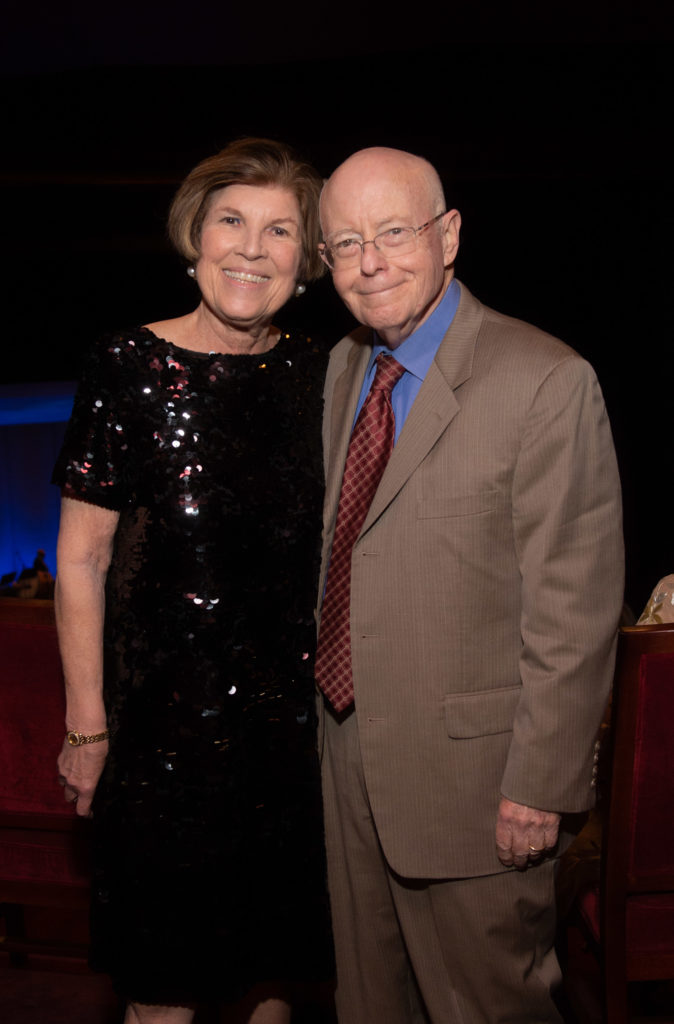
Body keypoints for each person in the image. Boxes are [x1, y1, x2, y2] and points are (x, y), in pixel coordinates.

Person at [315, 146, 624, 1023]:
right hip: (347, 768)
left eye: (392, 233)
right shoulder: (345, 370)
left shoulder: (545, 381)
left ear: (448, 235)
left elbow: (576, 610)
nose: (369, 262)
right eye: (344, 243)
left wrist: (542, 784)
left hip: (481, 790)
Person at [53, 138, 333, 1024]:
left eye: (281, 229)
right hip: (158, 739)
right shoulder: (126, 366)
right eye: (232, 221)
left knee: (275, 984)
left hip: (295, 741)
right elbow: (82, 559)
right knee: (163, 993)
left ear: (308, 257)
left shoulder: (327, 374)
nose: (252, 248)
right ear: (195, 236)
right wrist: (88, 728)